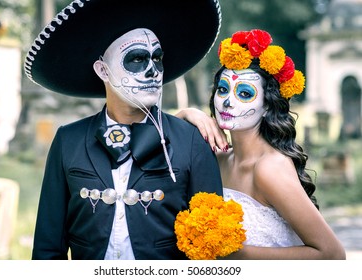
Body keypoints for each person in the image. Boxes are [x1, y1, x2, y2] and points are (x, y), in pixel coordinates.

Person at [24, 0, 223, 260]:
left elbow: (211, 254)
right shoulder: (67, 140)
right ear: (103, 70)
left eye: (158, 59)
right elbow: (48, 249)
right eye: (138, 59)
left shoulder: (192, 140)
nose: (153, 71)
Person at [176, 29, 346, 259]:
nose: (227, 101)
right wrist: (186, 114)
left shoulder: (270, 168)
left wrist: (234, 254)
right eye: (223, 89)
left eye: (244, 93)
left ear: (267, 106)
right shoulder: (218, 157)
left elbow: (332, 254)